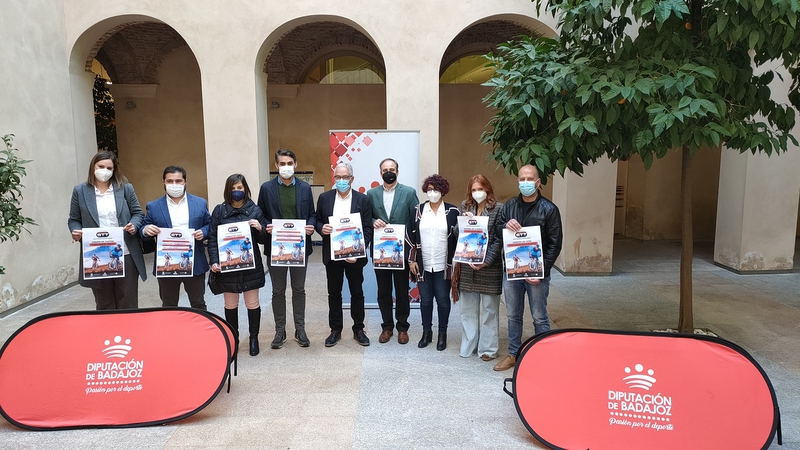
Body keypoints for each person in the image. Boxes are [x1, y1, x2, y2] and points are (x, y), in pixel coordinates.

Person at [493, 164, 562, 371]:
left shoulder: (549, 209)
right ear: (518, 181)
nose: (525, 183)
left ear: (538, 182)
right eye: (522, 179)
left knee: (539, 316)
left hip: (536, 274)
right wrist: (504, 226)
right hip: (513, 273)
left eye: (529, 179)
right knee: (513, 315)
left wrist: (541, 272)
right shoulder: (509, 206)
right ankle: (514, 353)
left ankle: (543, 354)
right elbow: (498, 232)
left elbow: (554, 244)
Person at [68, 150, 147, 310]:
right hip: (97, 254)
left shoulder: (125, 188)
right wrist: (75, 231)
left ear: (114, 170)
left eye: (109, 168)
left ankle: (128, 333)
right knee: (104, 303)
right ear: (93, 167)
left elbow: (138, 213)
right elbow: (74, 219)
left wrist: (134, 225)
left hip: (125, 252)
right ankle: (108, 334)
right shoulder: (80, 191)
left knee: (128, 301)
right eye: (101, 166)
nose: (104, 171)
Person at [257, 148, 316, 349]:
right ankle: (279, 331)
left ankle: (300, 330)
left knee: (299, 289)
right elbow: (260, 214)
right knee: (278, 290)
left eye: (289, 163)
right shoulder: (266, 188)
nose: (286, 167)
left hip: (299, 247)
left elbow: (312, 215)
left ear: (296, 165)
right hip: (277, 247)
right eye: (282, 164)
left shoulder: (305, 189)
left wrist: (310, 226)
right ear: (276, 166)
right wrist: (267, 226)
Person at [208, 174, 269, 356]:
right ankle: (233, 338)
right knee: (230, 304)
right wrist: (213, 261)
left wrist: (260, 228)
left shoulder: (255, 210)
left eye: (240, 188)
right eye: (233, 188)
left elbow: (264, 238)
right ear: (228, 190)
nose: (237, 191)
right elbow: (212, 238)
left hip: (250, 266)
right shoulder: (219, 211)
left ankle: (253, 338)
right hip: (228, 267)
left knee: (252, 303)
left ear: (245, 189)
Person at [315, 162, 373, 347]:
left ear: (352, 179)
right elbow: (316, 220)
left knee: (357, 292)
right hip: (332, 256)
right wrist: (320, 228)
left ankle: (358, 329)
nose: (341, 180)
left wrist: (359, 252)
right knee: (334, 293)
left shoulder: (362, 200)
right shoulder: (324, 198)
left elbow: (367, 229)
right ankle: (335, 330)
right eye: (338, 177)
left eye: (345, 177)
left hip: (354, 256)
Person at [140, 165, 212, 310]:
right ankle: (171, 332)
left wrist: (203, 232)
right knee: (169, 305)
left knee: (198, 303)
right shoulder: (153, 206)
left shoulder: (199, 203)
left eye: (178, 181)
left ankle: (199, 332)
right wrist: (146, 230)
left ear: (185, 181)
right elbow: (143, 227)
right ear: (163, 182)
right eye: (170, 181)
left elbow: (210, 224)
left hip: (194, 263)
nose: (174, 185)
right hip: (166, 264)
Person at [367, 158, 419, 344]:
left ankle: (402, 327)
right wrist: (374, 221)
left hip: (401, 251)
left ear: (397, 171)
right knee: (383, 291)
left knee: (402, 289)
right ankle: (387, 327)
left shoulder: (409, 192)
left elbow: (415, 220)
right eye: (385, 169)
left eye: (392, 169)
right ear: (380, 172)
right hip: (381, 251)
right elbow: (366, 217)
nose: (388, 172)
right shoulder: (371, 194)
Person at [407, 174, 459, 351]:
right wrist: (411, 259)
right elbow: (409, 236)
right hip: (422, 263)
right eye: (429, 189)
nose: (433, 192)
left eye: (436, 189)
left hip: (444, 264)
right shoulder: (418, 210)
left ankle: (442, 334)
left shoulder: (453, 212)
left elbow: (460, 236)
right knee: (426, 300)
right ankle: (426, 332)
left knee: (443, 300)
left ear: (443, 191)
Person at [455, 174, 503, 361]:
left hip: (490, 267)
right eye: (474, 190)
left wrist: (486, 260)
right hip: (467, 266)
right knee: (467, 309)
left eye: (480, 189)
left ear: (488, 189)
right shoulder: (465, 206)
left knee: (490, 310)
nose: (477, 193)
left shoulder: (499, 208)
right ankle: (468, 346)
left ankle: (488, 349)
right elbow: (457, 234)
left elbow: (499, 238)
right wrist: (463, 222)